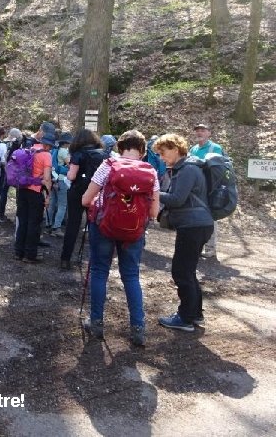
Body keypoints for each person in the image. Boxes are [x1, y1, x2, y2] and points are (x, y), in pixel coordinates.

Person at [81, 130, 160, 346]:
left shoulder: (108, 166)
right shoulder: (150, 172)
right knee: (131, 276)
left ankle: (96, 323)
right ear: (143, 151)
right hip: (134, 231)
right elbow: (154, 212)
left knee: (99, 271)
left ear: (119, 148)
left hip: (104, 227)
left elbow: (86, 200)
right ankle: (137, 328)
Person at [153, 133, 214, 332]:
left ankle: (185, 318)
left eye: (163, 152)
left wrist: (152, 192)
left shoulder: (187, 169)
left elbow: (177, 199)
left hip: (193, 226)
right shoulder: (187, 168)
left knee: (181, 271)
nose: (161, 157)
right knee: (188, 270)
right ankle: (194, 314)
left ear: (175, 149)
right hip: (197, 224)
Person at [59, 129, 106, 269]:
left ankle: (65, 259)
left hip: (77, 192)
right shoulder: (103, 155)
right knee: (95, 225)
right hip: (96, 193)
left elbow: (71, 176)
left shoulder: (78, 154)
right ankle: (95, 261)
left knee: (73, 225)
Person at [14, 133, 53, 263]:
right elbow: (47, 178)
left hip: (22, 190)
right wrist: (48, 196)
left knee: (23, 221)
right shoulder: (46, 155)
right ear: (47, 145)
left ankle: (18, 252)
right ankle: (30, 255)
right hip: (35, 192)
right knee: (34, 223)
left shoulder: (29, 149)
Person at [189, 123, 223, 259]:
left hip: (210, 188)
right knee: (196, 217)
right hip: (196, 189)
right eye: (197, 130)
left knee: (210, 218)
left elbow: (218, 168)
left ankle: (210, 248)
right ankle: (198, 245)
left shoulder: (215, 148)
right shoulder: (193, 149)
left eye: (203, 130)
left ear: (209, 133)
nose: (199, 133)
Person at [46, 132, 72, 237]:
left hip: (53, 179)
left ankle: (48, 224)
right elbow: (70, 165)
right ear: (67, 143)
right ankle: (56, 227)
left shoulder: (54, 150)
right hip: (62, 180)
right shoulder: (64, 152)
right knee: (62, 205)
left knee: (52, 202)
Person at [0, 127, 18, 223]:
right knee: (2, 193)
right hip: (5, 170)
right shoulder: (11, 144)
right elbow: (6, 159)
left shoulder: (2, 143)